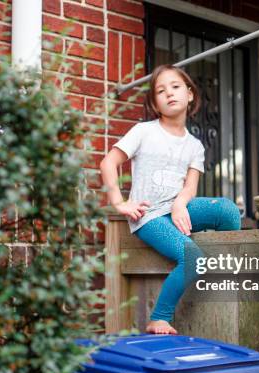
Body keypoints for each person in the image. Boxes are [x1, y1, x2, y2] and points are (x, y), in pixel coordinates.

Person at [99, 64, 241, 335]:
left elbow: (190, 187)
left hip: (176, 209)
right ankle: (159, 318)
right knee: (193, 257)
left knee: (227, 210)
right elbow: (109, 163)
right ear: (155, 102)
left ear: (190, 94)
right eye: (160, 91)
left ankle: (220, 274)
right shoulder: (144, 131)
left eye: (175, 87)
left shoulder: (194, 145)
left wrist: (179, 204)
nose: (169, 94)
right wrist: (120, 202)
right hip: (149, 217)